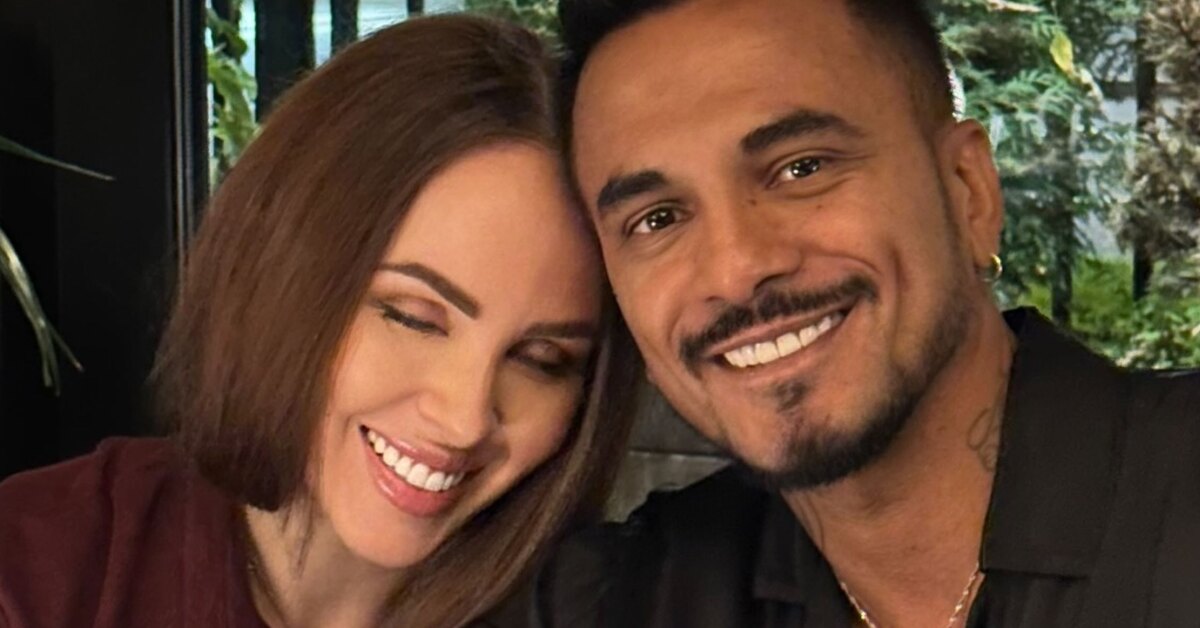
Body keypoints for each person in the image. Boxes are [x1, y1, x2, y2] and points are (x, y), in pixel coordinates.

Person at [515, 0, 1200, 626]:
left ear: (969, 192)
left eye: (802, 168)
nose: (735, 269)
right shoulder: (626, 600)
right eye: (657, 219)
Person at [0, 14, 639, 628]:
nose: (465, 418)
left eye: (542, 361)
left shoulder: (603, 604)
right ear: (280, 273)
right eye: (413, 318)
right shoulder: (39, 572)